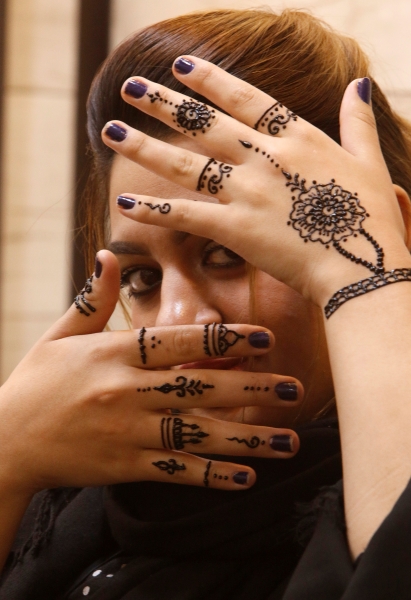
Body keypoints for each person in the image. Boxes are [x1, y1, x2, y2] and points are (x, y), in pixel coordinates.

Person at [1, 7, 411, 599]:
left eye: (225, 254)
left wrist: (372, 279)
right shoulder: (68, 489)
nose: (174, 319)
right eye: (142, 278)